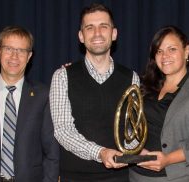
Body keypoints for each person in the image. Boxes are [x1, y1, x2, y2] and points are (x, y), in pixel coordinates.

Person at [49, 3, 140, 182]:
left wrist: (132, 151)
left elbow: (133, 131)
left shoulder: (131, 78)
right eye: (90, 28)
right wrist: (101, 153)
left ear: (114, 33)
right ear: (81, 36)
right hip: (75, 177)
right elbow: (62, 130)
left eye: (103, 26)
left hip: (121, 177)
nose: (97, 33)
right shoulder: (62, 76)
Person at [0, 25, 59, 182]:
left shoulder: (43, 96)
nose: (14, 56)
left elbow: (52, 152)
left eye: (21, 51)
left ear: (29, 56)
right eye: (9, 49)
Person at [128, 26, 189, 182]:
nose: (165, 56)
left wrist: (168, 159)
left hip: (183, 178)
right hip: (138, 176)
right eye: (159, 51)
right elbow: (130, 125)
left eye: (172, 49)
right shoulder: (143, 87)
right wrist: (136, 149)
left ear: (186, 51)